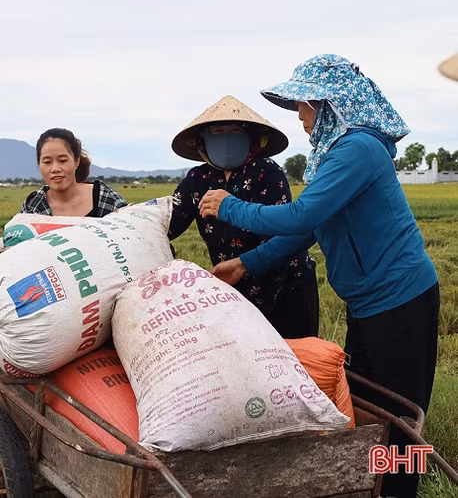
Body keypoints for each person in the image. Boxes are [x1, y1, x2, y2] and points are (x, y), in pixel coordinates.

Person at [199, 54, 439, 498]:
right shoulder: (339, 154)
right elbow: (312, 227)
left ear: (329, 105)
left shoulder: (358, 149)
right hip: (370, 303)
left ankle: (402, 491)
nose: (301, 119)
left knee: (401, 414)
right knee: (371, 407)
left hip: (400, 299)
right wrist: (246, 264)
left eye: (304, 108)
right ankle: (376, 485)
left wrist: (229, 206)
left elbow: (301, 213)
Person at [169, 95, 318, 338]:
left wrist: (245, 264)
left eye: (235, 130)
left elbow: (285, 229)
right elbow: (169, 222)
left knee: (293, 358)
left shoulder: (267, 171)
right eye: (217, 131)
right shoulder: (197, 179)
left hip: (283, 283)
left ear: (250, 138)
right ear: (203, 142)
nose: (226, 138)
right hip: (229, 286)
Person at [21, 128, 127, 217]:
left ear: (76, 161)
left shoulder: (104, 198)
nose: (55, 169)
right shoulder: (33, 208)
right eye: (47, 162)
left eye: (62, 160)